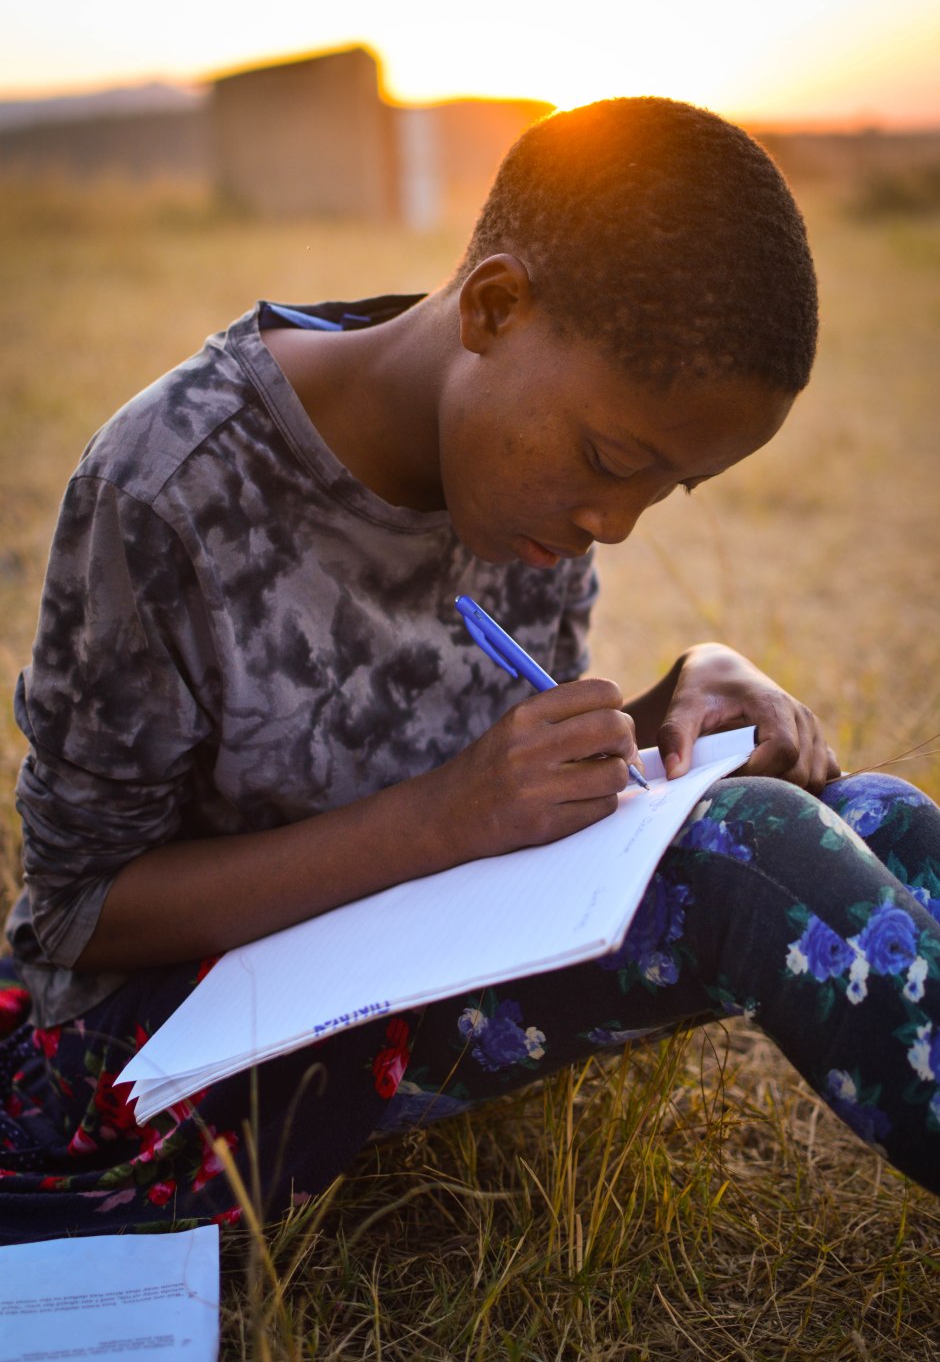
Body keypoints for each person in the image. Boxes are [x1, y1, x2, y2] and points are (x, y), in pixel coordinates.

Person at [1, 97, 938, 1243]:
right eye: (611, 461)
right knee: (757, 855)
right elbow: (80, 913)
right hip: (168, 1034)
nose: (615, 525)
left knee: (876, 816)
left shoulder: (523, 482)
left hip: (417, 927)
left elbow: (505, 788)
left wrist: (675, 701)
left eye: (666, 490)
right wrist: (438, 821)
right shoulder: (167, 486)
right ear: (494, 307)